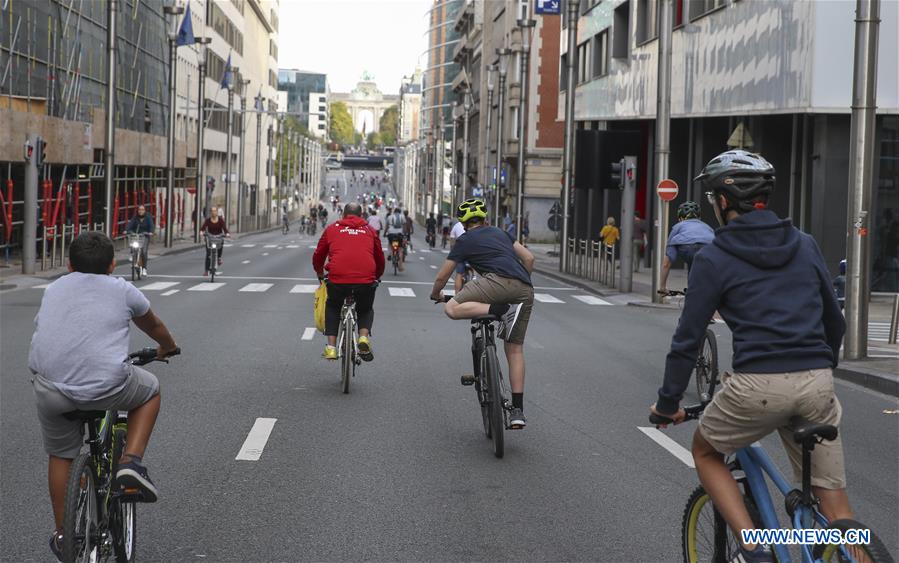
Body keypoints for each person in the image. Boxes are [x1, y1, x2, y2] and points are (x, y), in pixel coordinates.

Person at [650, 150, 849, 563]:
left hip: (757, 387)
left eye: (713, 198)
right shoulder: (805, 244)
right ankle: (854, 546)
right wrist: (820, 368)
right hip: (817, 380)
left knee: (706, 452)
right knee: (837, 508)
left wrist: (668, 404)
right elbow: (835, 320)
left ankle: (755, 547)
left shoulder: (714, 258)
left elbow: (688, 339)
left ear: (724, 201)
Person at [29, 232, 178, 559]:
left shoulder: (54, 288)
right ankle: (130, 463)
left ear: (69, 265)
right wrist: (167, 347)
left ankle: (63, 534)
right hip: (106, 385)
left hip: (50, 387)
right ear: (113, 265)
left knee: (60, 455)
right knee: (150, 391)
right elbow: (152, 324)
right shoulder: (122, 289)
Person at [429, 199, 535, 429]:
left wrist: (436, 294)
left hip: (494, 284)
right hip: (524, 289)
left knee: (451, 308)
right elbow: (529, 258)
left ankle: (500, 310)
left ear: (463, 223)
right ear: (485, 219)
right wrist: (519, 282)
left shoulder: (465, 239)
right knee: (515, 349)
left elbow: (442, 276)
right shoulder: (501, 232)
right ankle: (517, 411)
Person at [313, 202, 385, 361]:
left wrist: (319, 272)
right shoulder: (369, 230)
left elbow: (319, 254)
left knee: (333, 306)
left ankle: (331, 348)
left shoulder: (332, 229)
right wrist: (377, 275)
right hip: (365, 280)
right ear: (361, 216)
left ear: (343, 215)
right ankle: (363, 337)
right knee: (365, 308)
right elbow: (379, 257)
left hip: (337, 279)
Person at [659, 201, 716, 293]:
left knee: (692, 262)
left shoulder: (677, 227)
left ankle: (692, 292)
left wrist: (662, 287)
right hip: (709, 249)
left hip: (687, 249)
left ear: (680, 217)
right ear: (699, 217)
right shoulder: (708, 227)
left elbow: (666, 263)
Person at [200, 206, 230, 275]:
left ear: (217, 212)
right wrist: (201, 232)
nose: (213, 212)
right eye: (212, 211)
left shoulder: (220, 220)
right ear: (210, 212)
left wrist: (227, 233)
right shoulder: (208, 220)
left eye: (215, 211)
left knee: (221, 244)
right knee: (208, 254)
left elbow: (224, 228)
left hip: (218, 237)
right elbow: (203, 228)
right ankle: (206, 270)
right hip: (210, 237)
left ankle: (219, 258)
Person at [125, 205, 154, 277]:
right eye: (139, 210)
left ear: (145, 211)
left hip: (144, 236)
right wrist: (127, 230)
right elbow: (130, 225)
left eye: (142, 209)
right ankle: (133, 255)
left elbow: (151, 226)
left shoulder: (148, 217)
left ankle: (144, 268)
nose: (141, 211)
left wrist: (150, 232)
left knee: (144, 251)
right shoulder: (135, 217)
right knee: (133, 245)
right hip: (136, 236)